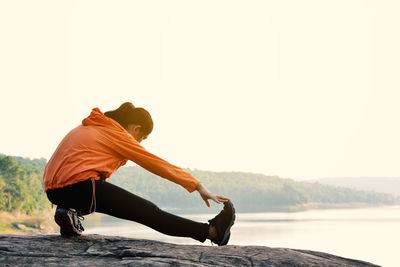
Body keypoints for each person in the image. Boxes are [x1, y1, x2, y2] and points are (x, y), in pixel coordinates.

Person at [43, 102, 235, 246]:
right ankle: (213, 233)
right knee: (149, 212)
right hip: (81, 187)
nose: (139, 143)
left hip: (55, 191)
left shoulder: (91, 127)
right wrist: (197, 185)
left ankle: (69, 211)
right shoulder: (118, 134)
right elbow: (155, 163)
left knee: (100, 197)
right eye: (142, 138)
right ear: (136, 129)